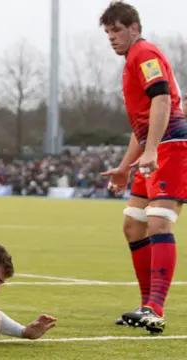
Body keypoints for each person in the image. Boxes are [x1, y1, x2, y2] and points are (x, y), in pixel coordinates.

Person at [99, 1, 187, 334]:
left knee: (159, 223)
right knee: (133, 226)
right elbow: (143, 123)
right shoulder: (131, 61)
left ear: (134, 28)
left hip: (171, 148)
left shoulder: (144, 53)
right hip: (155, 149)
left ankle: (155, 308)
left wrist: (151, 151)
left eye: (117, 29)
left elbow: (162, 100)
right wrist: (124, 167)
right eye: (108, 32)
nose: (111, 37)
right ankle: (145, 304)